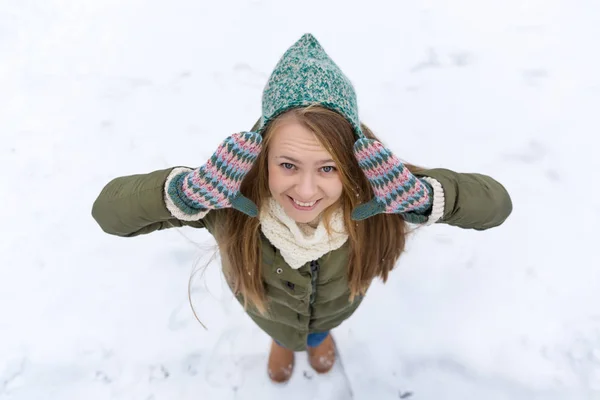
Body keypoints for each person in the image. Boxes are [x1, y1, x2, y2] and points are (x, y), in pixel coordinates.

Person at [91, 33, 512, 383]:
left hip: (338, 304)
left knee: (318, 330)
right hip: (267, 312)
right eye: (288, 165)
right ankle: (284, 341)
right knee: (284, 332)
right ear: (263, 160)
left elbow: (496, 205)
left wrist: (424, 198)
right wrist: (185, 193)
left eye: (328, 167)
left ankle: (318, 337)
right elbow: (108, 213)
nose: (306, 191)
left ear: (351, 161)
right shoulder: (228, 198)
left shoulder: (384, 190)